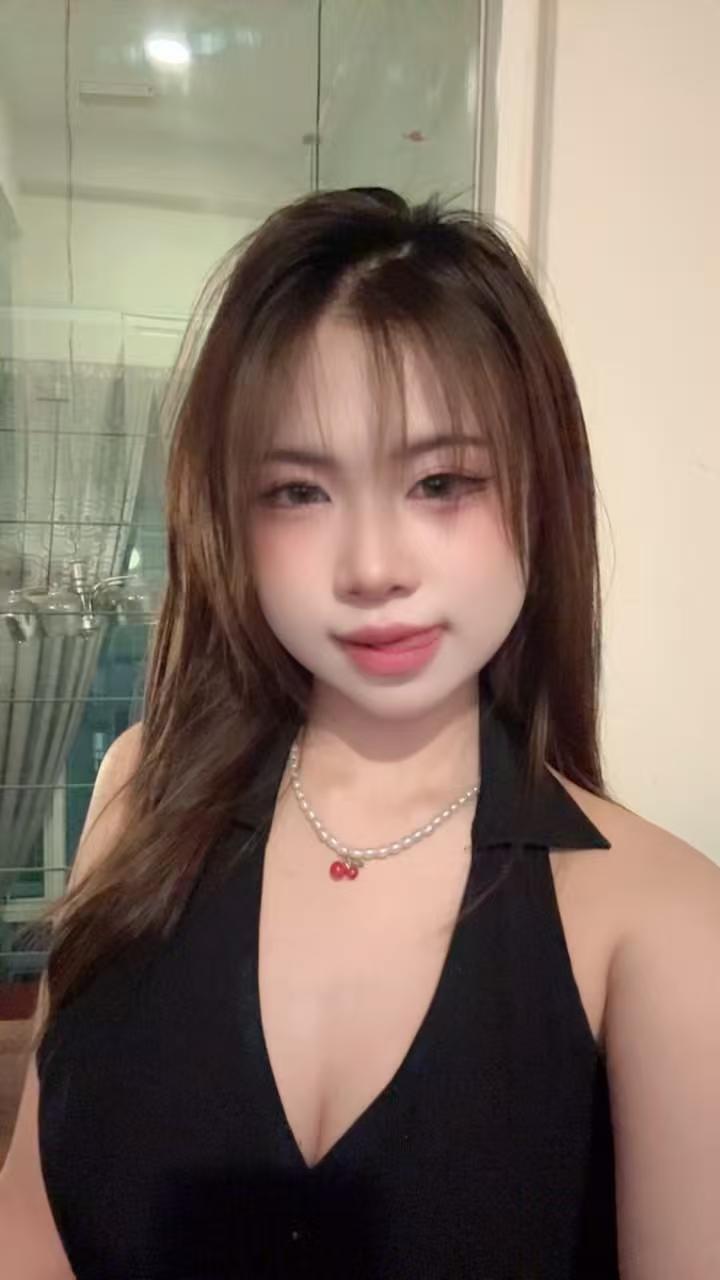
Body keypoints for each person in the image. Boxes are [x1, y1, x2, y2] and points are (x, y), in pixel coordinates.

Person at [1, 187, 718, 1280]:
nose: (372, 566)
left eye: (442, 481)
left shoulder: (662, 921)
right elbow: (29, 1224)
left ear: (542, 496)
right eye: (299, 490)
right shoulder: (138, 792)